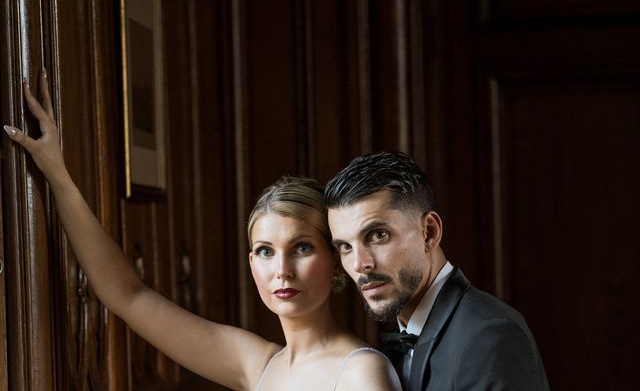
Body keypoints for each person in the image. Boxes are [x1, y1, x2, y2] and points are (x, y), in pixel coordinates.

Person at [3, 72, 401, 391]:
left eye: (301, 247)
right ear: (251, 263)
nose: (282, 269)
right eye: (265, 250)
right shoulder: (258, 365)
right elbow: (128, 296)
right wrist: (56, 172)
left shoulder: (360, 373)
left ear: (335, 261)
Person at [325, 151, 550, 390]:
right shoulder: (398, 342)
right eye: (346, 247)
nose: (360, 264)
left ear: (429, 232)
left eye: (378, 235)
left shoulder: (490, 336)